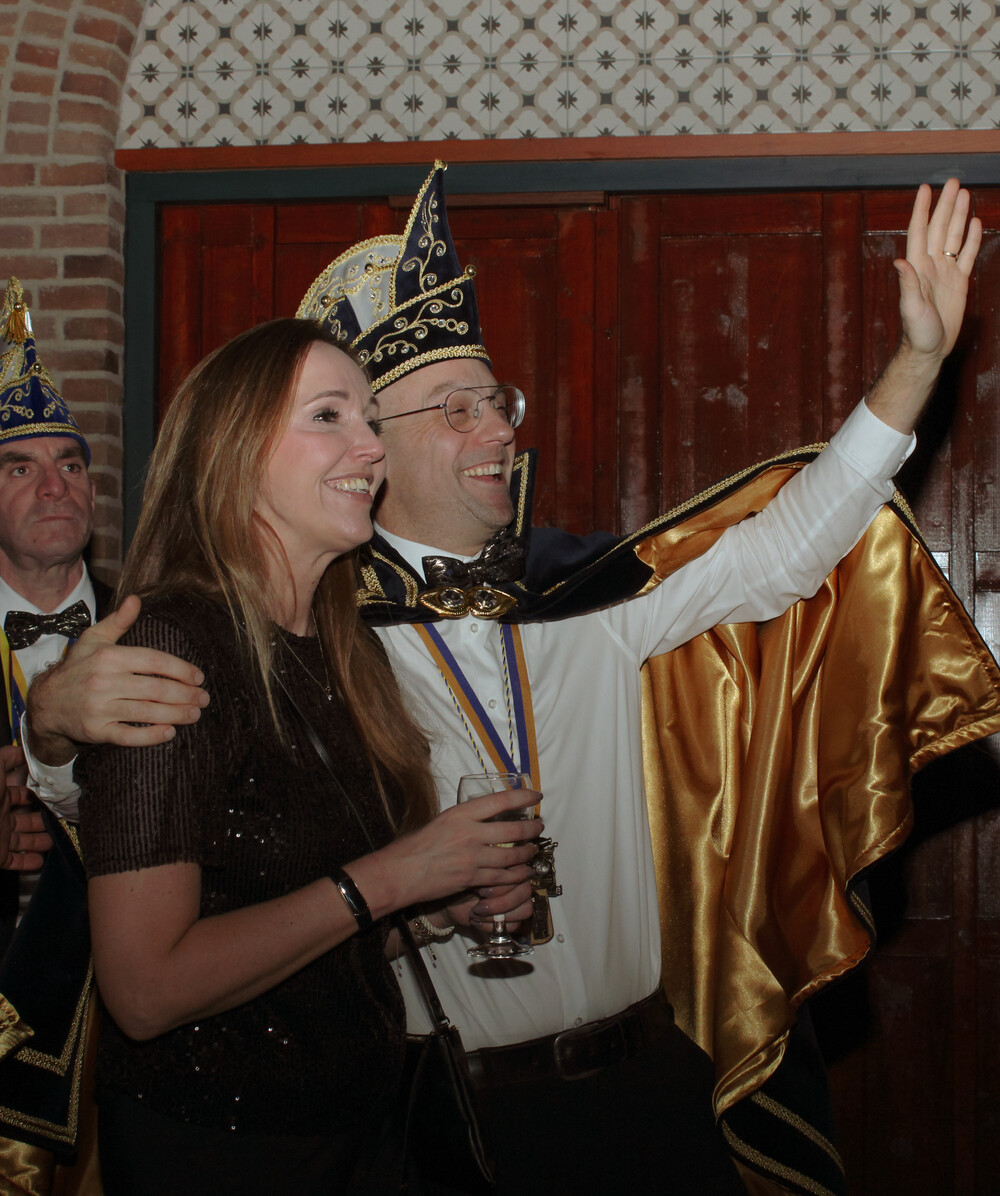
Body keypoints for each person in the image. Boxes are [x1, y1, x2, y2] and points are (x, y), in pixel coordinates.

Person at [25, 167, 1000, 1194]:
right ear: (375, 447)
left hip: (643, 1082)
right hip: (432, 1118)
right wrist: (53, 731)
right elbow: (159, 846)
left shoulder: (586, 596)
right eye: (457, 408)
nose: (498, 430)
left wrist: (917, 361)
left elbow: (787, 545)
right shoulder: (317, 639)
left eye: (497, 402)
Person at [70, 316, 540, 1196]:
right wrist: (395, 877)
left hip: (362, 1135)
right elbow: (145, 990)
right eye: (330, 416)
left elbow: (311, 932)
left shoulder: (340, 651)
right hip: (222, 1152)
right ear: (234, 451)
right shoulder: (173, 649)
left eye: (372, 420)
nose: (372, 447)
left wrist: (435, 912)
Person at [0, 276, 106, 1196]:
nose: (53, 485)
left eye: (70, 464)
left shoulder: (163, 630)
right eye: (19, 468)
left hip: (126, 1022)